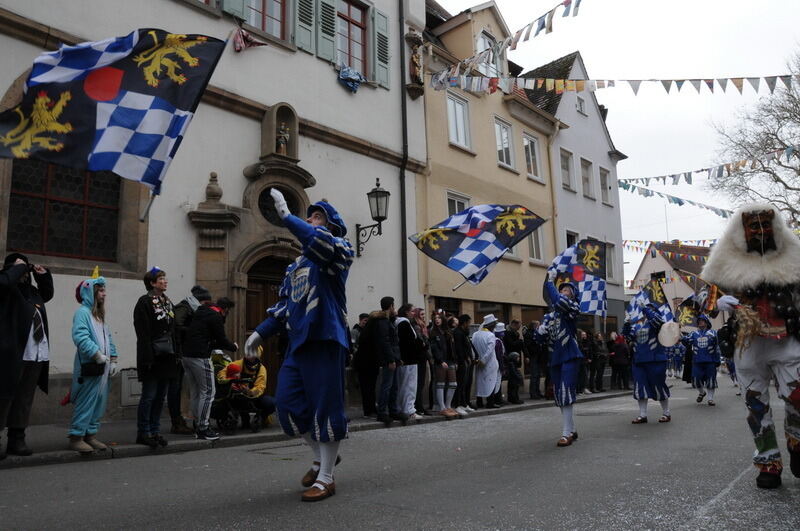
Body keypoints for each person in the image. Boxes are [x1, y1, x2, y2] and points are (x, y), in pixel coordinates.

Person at [245, 190, 354, 502]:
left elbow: (321, 245)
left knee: (326, 407)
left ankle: (327, 477)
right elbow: (283, 308)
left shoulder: (339, 249)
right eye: (309, 216)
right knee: (288, 407)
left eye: (317, 216)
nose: (310, 220)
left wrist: (288, 218)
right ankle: (322, 457)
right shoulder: (294, 268)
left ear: (331, 225)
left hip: (325, 337)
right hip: (298, 343)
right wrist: (258, 334)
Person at [702, 202, 800, 489]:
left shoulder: (794, 253)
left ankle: (797, 443)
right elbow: (701, 298)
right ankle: (768, 462)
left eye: (766, 224)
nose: (760, 230)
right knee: (756, 404)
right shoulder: (724, 257)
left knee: (797, 397)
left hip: (788, 339)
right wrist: (716, 302)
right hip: (748, 343)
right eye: (753, 225)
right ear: (741, 230)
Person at [0, 253, 53, 459]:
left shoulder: (31, 292)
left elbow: (47, 293)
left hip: (35, 353)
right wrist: (17, 268)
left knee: (24, 398)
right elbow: (4, 282)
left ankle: (17, 437)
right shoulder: (7, 289)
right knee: (4, 397)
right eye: (20, 269)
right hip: (12, 353)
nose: (24, 274)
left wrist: (43, 275)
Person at [67, 276, 118, 454]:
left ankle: (90, 434)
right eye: (101, 291)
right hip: (90, 367)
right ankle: (76, 436)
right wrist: (96, 354)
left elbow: (108, 337)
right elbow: (80, 336)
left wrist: (113, 359)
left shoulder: (98, 315)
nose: (104, 294)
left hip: (101, 369)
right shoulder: (82, 313)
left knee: (98, 402)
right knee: (86, 401)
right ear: (91, 292)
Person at [134, 267, 180, 449]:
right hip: (152, 357)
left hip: (168, 357)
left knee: (161, 397)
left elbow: (174, 330)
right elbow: (142, 332)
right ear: (152, 283)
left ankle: (154, 431)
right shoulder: (144, 302)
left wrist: (178, 353)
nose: (165, 281)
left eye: (164, 278)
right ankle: (143, 432)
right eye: (161, 279)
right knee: (149, 396)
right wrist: (147, 358)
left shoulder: (167, 302)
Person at [182, 297, 238, 440]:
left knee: (195, 391)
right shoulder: (215, 316)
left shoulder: (201, 313)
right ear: (225, 310)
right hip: (200, 356)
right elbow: (221, 339)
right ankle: (203, 428)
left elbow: (207, 338)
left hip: (186, 355)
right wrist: (233, 347)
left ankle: (197, 423)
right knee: (208, 392)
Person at [538, 276, 583, 447]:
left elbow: (559, 301)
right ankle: (571, 429)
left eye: (567, 291)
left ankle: (566, 434)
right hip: (555, 358)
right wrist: (541, 331)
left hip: (570, 355)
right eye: (562, 289)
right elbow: (540, 340)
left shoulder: (573, 307)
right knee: (559, 395)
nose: (563, 292)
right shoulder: (550, 316)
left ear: (572, 295)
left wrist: (549, 282)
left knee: (565, 391)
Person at [170, 285, 213, 435]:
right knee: (175, 389)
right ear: (200, 300)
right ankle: (176, 422)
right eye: (205, 302)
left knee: (189, 389)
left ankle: (185, 420)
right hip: (179, 352)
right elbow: (177, 326)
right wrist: (195, 331)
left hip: (184, 352)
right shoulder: (185, 307)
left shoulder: (192, 307)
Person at [623, 304, 671, 424]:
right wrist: (627, 324)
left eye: (650, 309)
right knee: (640, 387)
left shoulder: (658, 323)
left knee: (658, 386)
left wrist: (646, 308)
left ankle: (666, 412)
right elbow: (627, 337)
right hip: (639, 361)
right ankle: (642, 415)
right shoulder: (637, 325)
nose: (646, 311)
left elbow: (657, 321)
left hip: (655, 360)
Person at [372, 296, 406, 426]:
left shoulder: (388, 321)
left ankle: (393, 410)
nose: (395, 308)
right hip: (388, 360)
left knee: (394, 387)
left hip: (394, 358)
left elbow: (393, 343)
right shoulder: (382, 322)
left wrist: (398, 359)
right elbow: (385, 342)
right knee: (386, 386)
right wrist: (391, 359)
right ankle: (382, 412)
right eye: (394, 305)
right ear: (390, 306)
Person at [216, 356, 275, 429]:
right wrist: (228, 380)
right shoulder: (238, 363)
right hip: (237, 398)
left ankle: (262, 417)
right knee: (236, 400)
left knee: (271, 402)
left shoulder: (261, 368)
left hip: (254, 397)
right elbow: (222, 372)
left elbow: (260, 387)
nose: (251, 356)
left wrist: (250, 392)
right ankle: (244, 421)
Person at [684, 315, 721, 406]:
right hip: (697, 361)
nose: (700, 322)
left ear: (707, 322)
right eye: (699, 321)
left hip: (710, 361)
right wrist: (679, 335)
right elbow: (686, 342)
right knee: (696, 380)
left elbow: (717, 347)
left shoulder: (713, 333)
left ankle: (710, 399)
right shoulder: (693, 334)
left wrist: (717, 359)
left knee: (711, 380)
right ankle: (702, 392)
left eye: (702, 320)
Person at [429, 313, 459, 418]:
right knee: (440, 383)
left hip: (450, 360)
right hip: (440, 361)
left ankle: (448, 405)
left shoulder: (447, 332)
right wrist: (440, 360)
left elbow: (453, 348)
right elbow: (434, 348)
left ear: (443, 319)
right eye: (435, 318)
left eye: (439, 318)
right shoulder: (433, 333)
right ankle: (442, 407)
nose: (437, 320)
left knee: (453, 383)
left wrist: (455, 361)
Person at [395, 304, 420, 420]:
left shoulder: (401, 323)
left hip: (406, 359)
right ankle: (409, 409)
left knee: (403, 385)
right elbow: (408, 343)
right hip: (409, 359)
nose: (414, 313)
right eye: (412, 311)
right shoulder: (404, 324)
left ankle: (403, 408)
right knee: (409, 386)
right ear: (406, 312)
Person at [353, 312, 379, 418]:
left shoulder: (370, 332)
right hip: (365, 364)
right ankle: (368, 410)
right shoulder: (361, 332)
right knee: (366, 388)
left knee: (371, 388)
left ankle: (371, 409)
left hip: (370, 364)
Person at [472, 315, 500, 409]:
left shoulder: (475, 334)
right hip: (489, 363)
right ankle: (490, 402)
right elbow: (490, 350)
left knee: (480, 382)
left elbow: (473, 348)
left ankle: (479, 402)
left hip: (478, 361)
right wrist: (483, 360)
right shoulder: (491, 335)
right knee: (491, 382)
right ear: (491, 326)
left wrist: (476, 359)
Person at [411, 307, 433, 415]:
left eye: (424, 315)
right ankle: (418, 406)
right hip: (420, 357)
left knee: (421, 383)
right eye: (422, 314)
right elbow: (422, 342)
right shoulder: (417, 326)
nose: (423, 316)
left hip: (423, 356)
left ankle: (419, 406)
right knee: (419, 383)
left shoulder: (422, 325)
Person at [452, 314, 475, 414]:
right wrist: (464, 359)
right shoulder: (458, 333)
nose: (469, 325)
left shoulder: (463, 333)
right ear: (464, 323)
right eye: (468, 323)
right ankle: (457, 405)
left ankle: (464, 404)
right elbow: (459, 349)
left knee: (464, 384)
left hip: (466, 361)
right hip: (461, 362)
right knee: (460, 384)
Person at [524, 321, 545, 399]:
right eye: (538, 325)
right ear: (534, 326)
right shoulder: (529, 334)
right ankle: (533, 393)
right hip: (533, 356)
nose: (539, 326)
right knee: (534, 375)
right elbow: (528, 345)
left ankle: (537, 391)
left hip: (539, 356)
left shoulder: (538, 333)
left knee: (538, 374)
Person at [492, 322, 507, 406]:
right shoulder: (497, 341)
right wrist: (502, 368)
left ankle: (498, 399)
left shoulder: (497, 340)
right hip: (497, 365)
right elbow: (499, 356)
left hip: (496, 364)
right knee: (497, 383)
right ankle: (497, 400)